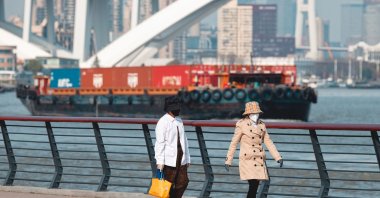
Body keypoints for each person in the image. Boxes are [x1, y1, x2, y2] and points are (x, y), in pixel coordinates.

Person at [225, 101, 283, 198]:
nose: (255, 115)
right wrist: (228, 160)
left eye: (257, 113)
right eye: (253, 113)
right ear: (248, 114)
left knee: (255, 186)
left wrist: (278, 157)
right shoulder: (241, 125)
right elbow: (234, 143)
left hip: (259, 159)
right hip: (248, 159)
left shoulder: (262, 125)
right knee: (253, 185)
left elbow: (268, 142)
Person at [155, 96, 191, 198]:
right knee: (167, 184)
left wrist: (187, 158)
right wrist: (160, 163)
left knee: (183, 182)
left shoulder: (179, 121)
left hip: (181, 158)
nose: (179, 110)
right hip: (169, 160)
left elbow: (185, 140)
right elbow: (160, 143)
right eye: (177, 108)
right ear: (170, 109)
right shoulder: (163, 122)